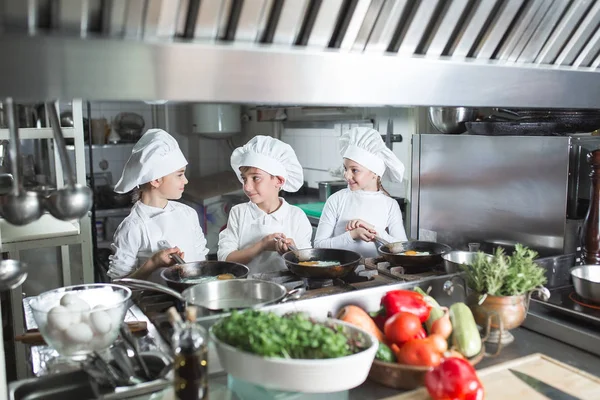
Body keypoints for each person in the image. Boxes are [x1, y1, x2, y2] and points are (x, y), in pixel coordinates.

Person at [107, 129, 208, 281]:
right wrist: (153, 263)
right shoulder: (132, 227)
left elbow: (202, 264)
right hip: (154, 303)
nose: (185, 180)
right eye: (180, 175)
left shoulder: (188, 214)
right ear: (155, 180)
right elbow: (119, 287)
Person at [218, 135, 312, 273]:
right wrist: (261, 245)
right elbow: (226, 259)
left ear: (279, 181)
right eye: (244, 179)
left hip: (288, 288)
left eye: (256, 178)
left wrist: (291, 252)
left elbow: (307, 263)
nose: (247, 187)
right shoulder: (239, 212)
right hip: (246, 288)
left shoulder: (296, 216)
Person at [314, 127, 407, 258]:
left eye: (354, 170)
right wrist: (352, 235)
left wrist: (374, 231)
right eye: (345, 168)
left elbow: (402, 248)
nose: (346, 175)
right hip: (338, 271)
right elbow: (318, 245)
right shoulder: (336, 200)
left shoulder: (390, 205)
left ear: (375, 173)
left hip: (377, 274)